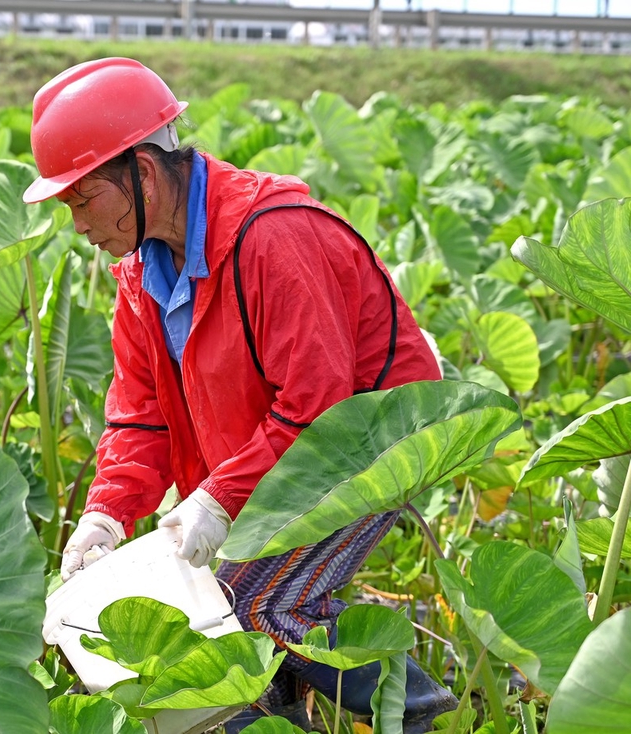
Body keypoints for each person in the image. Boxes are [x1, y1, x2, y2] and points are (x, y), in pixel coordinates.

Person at [23, 57, 458, 733]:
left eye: (83, 199)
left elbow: (319, 405)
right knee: (217, 611)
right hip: (273, 458)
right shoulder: (140, 273)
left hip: (370, 441)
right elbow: (140, 414)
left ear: (141, 172)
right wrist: (107, 513)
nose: (78, 223)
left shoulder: (273, 236)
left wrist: (221, 499)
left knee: (262, 604)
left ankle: (421, 714)